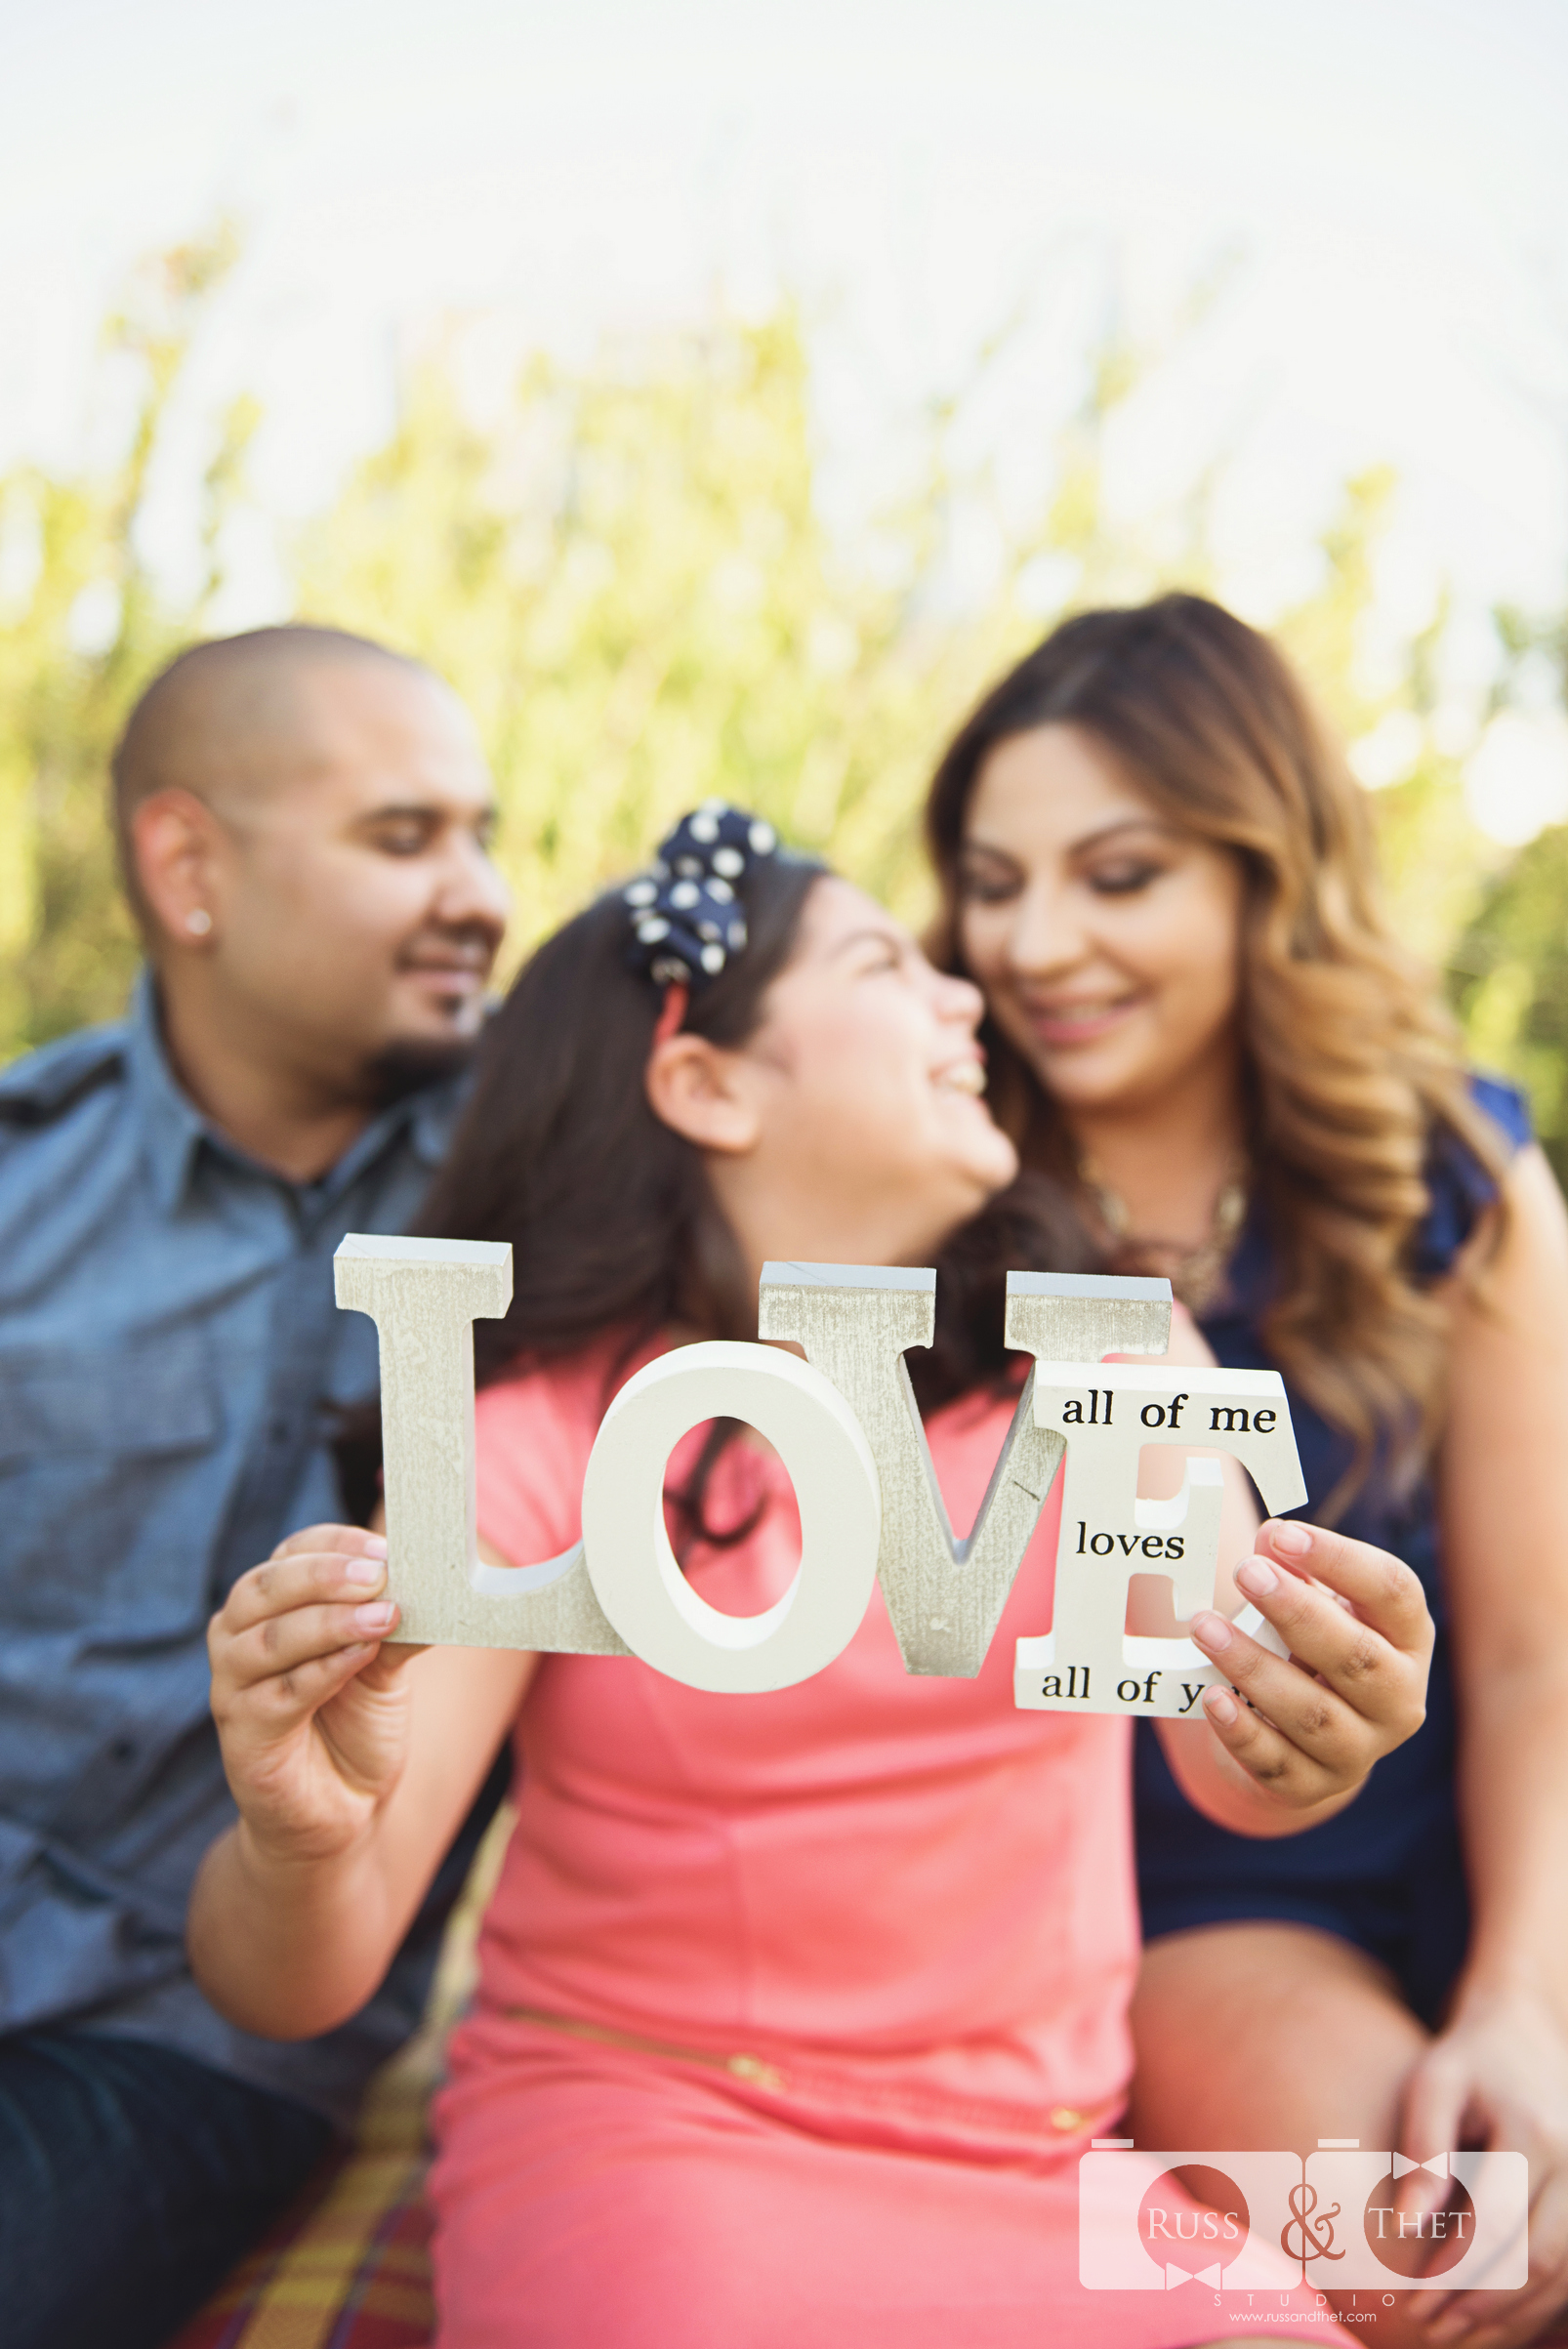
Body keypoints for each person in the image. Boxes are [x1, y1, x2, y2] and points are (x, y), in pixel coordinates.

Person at [191, 803, 1432, 2349]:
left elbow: (1231, 1760)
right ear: (705, 1082)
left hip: (1047, 2169)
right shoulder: (534, 1435)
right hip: (657, 2153)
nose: (965, 996)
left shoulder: (1116, 1348)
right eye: (884, 964)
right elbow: (293, 1976)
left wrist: (1310, 1723)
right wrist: (299, 1837)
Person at [924, 593, 1568, 2347]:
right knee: (1442, 2247)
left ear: (1260, 879)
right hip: (1194, 1906)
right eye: (993, 881)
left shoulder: (1453, 1179)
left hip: (1488, 1880)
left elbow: (1527, 1658)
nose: (1035, 941)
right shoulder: (920, 1179)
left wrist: (1524, 2007)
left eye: (1115, 875)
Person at [0, 624, 513, 2349]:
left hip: (187, 2030)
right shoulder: (21, 1190)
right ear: (186, 863)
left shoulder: (571, 1207)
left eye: (482, 836)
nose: (479, 894)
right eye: (403, 837)